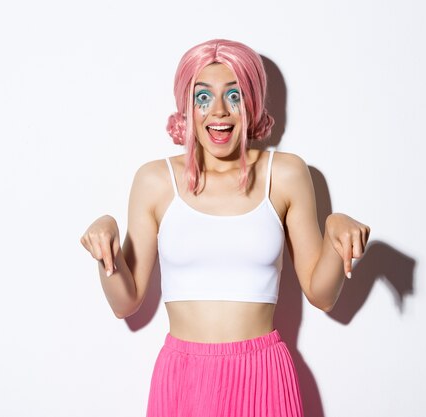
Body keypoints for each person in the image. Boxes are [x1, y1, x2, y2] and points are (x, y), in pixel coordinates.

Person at [80, 39, 370, 417]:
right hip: (184, 377)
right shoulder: (155, 180)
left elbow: (322, 294)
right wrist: (107, 245)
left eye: (234, 96)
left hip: (263, 374)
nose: (219, 111)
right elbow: (125, 303)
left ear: (252, 102)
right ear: (187, 106)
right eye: (203, 97)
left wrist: (336, 229)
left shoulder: (285, 174)